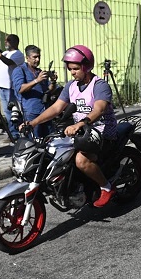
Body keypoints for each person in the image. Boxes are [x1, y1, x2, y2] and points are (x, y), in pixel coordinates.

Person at [22, 45, 118, 208]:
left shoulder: (99, 85)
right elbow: (56, 108)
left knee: (80, 160)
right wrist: (33, 123)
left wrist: (82, 123)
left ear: (86, 67)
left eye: (75, 68)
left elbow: (99, 109)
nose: (72, 72)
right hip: (82, 131)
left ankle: (106, 187)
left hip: (102, 131)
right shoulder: (71, 86)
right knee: (55, 149)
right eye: (70, 69)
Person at [12, 44, 57, 138]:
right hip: (31, 112)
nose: (37, 59)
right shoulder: (20, 70)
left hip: (45, 111)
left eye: (39, 57)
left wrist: (53, 81)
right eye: (34, 57)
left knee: (48, 140)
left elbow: (49, 90)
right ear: (27, 58)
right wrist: (37, 80)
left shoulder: (39, 72)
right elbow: (20, 89)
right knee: (34, 141)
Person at [0, 34, 25, 140]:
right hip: (2, 86)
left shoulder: (18, 54)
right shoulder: (4, 53)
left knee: (14, 111)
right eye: (5, 40)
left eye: (8, 40)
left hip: (11, 87)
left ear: (15, 42)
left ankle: (16, 133)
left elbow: (9, 62)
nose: (6, 42)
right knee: (7, 111)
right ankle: (13, 132)